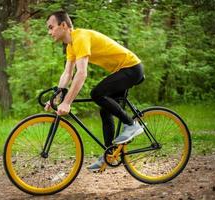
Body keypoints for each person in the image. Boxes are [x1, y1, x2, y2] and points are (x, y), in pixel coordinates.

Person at [45, 11, 145, 172]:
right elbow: (67, 74)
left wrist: (67, 102)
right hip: (123, 70)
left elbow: (82, 73)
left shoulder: (81, 37)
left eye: (51, 27)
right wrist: (55, 98)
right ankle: (110, 153)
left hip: (131, 68)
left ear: (63, 25)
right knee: (105, 110)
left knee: (97, 94)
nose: (49, 32)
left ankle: (131, 125)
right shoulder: (71, 45)